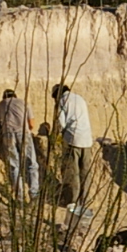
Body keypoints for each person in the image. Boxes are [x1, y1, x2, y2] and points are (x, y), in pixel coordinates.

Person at [52, 82, 96, 213]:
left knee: (74, 172)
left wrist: (54, 137)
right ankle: (85, 199)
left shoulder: (62, 101)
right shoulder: (80, 98)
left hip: (73, 139)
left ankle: (73, 200)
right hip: (87, 139)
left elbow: (61, 123)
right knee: (85, 171)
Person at [0, 85, 39, 200]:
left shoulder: (0, 105)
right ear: (15, 96)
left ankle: (20, 197)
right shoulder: (24, 103)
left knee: (14, 165)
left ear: (4, 97)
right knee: (31, 164)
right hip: (23, 133)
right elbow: (32, 124)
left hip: (8, 134)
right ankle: (34, 194)